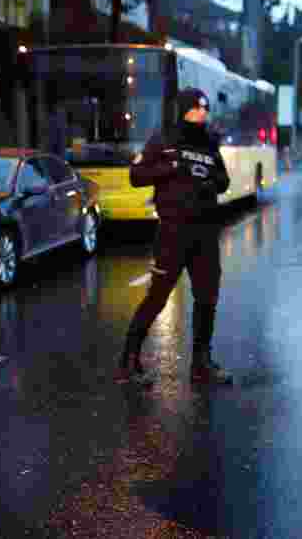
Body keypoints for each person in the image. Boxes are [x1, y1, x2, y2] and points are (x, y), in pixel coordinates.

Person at [115, 87, 231, 386]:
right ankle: (128, 362)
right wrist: (172, 167)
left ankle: (201, 364)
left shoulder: (209, 142)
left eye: (205, 108)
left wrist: (210, 182)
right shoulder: (164, 139)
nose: (202, 113)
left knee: (207, 298)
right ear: (183, 110)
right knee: (157, 296)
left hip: (205, 234)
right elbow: (137, 176)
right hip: (173, 232)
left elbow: (224, 180)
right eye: (196, 108)